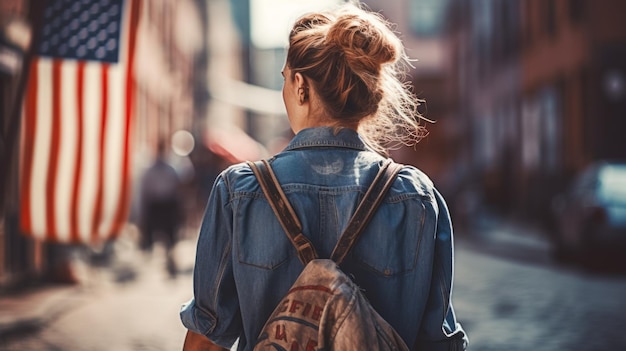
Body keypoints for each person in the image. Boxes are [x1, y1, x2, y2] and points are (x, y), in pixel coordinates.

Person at [180, 2, 468, 350]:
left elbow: (207, 338)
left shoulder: (239, 190)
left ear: (300, 86)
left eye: (284, 79)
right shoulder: (418, 197)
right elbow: (439, 342)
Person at [139, 138, 183, 276]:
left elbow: (179, 187)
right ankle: (150, 262)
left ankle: (170, 258)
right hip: (156, 204)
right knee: (152, 234)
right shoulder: (151, 169)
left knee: (171, 234)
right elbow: (146, 190)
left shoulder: (172, 168)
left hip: (168, 204)